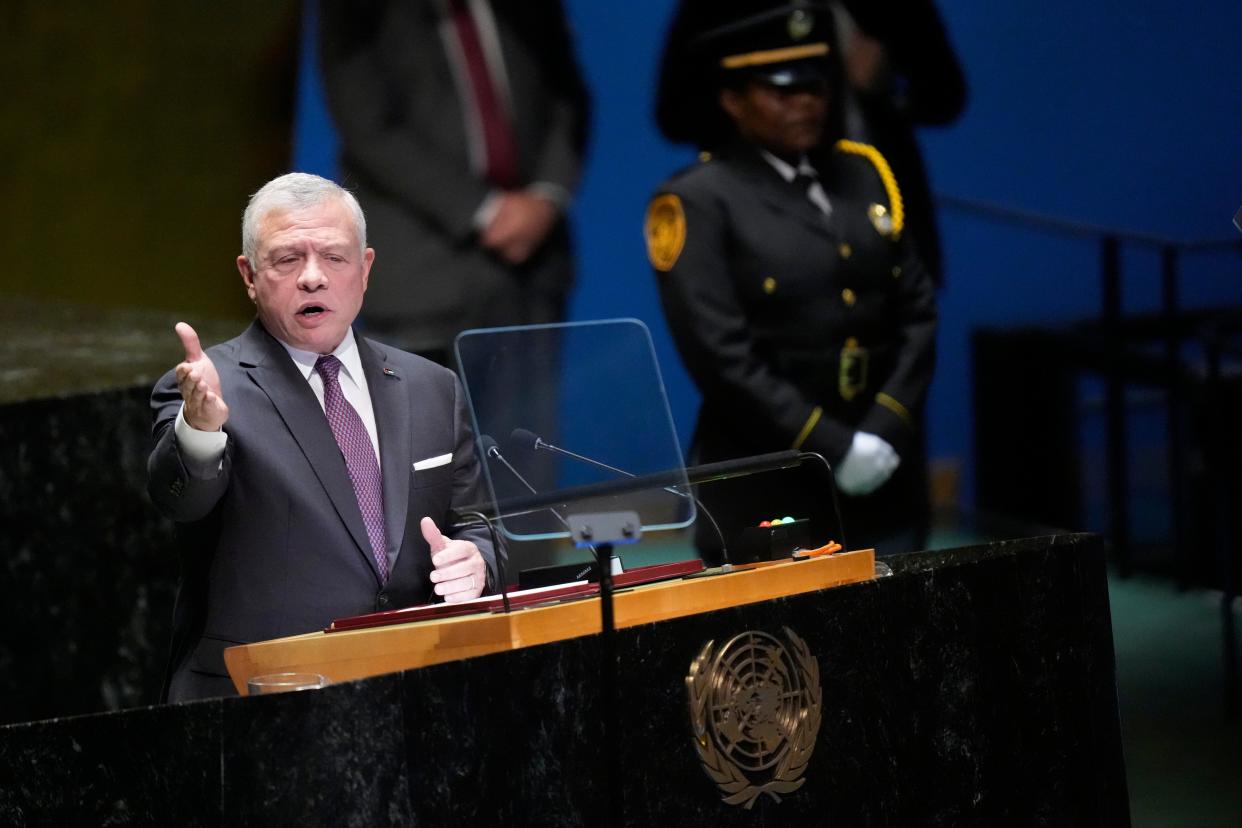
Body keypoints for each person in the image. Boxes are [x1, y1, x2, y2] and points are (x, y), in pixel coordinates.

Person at [148, 173, 498, 702]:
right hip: (262, 703)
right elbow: (182, 499)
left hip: (417, 696)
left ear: (365, 268)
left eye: (334, 257)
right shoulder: (208, 389)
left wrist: (478, 563)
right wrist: (200, 429)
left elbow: (480, 525)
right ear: (249, 274)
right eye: (288, 259)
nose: (313, 278)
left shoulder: (432, 387)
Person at [647, 1, 937, 559]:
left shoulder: (866, 173)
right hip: (768, 478)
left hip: (884, 471)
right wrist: (834, 447)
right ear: (732, 99)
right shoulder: (699, 200)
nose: (806, 103)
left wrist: (883, 429)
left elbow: (918, 314)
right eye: (782, 91)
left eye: (817, 87)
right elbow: (723, 357)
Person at [318, 0, 590, 366]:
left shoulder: (526, 11)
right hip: (421, 275)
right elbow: (369, 127)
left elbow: (567, 97)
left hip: (532, 274)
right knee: (417, 420)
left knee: (525, 424)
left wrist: (545, 196)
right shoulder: (359, 13)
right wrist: (486, 211)